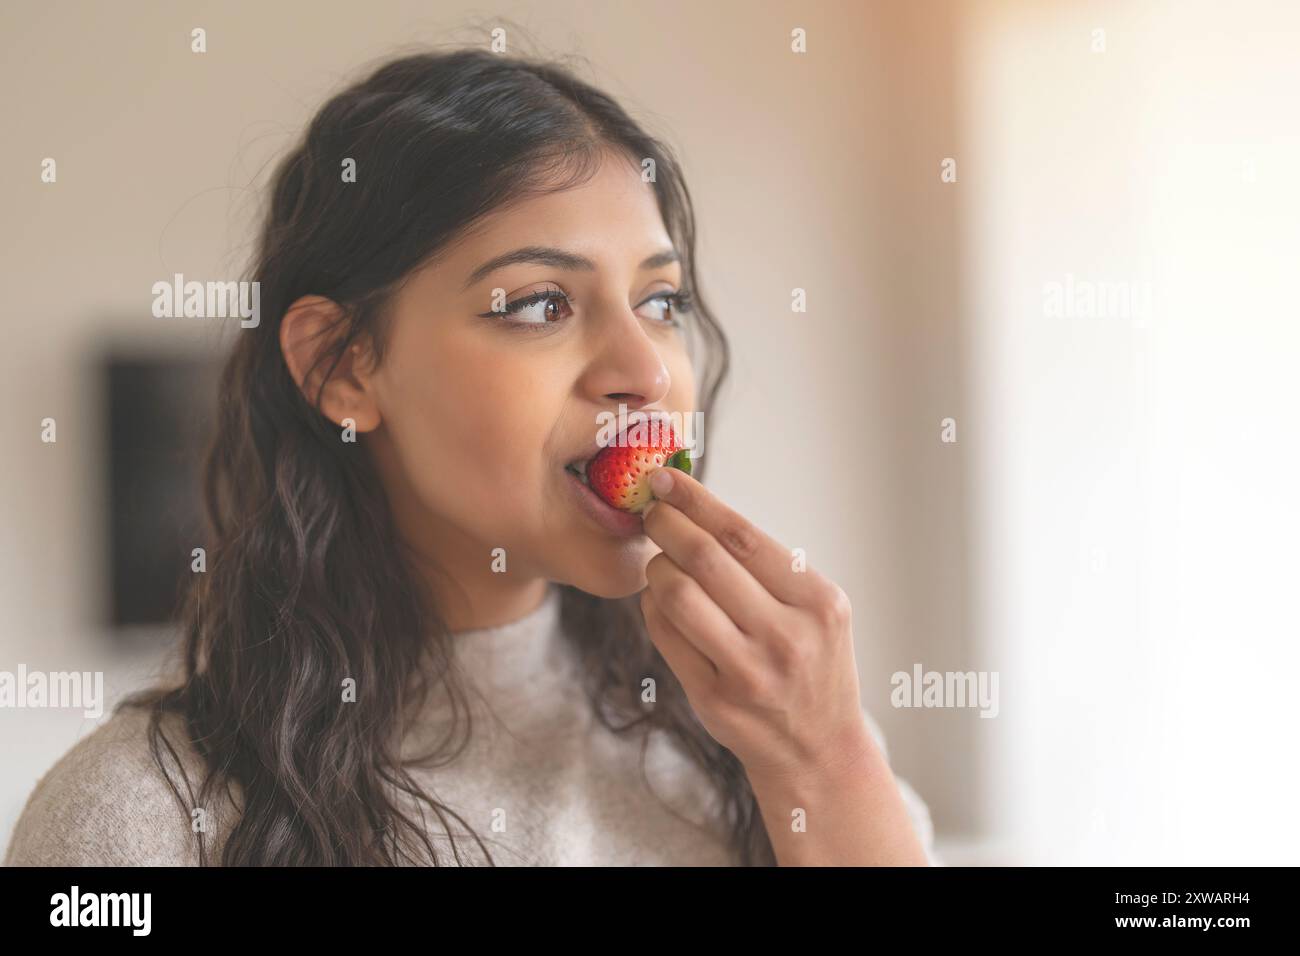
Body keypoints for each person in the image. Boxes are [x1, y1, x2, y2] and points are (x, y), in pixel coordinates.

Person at [4, 47, 936, 867]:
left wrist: (831, 763)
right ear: (342, 367)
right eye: (538, 303)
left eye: (661, 302)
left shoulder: (771, 755)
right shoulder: (135, 817)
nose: (645, 370)